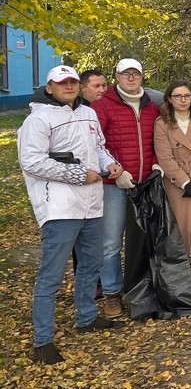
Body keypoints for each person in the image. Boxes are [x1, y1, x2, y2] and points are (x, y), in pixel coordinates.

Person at [19, 66, 123, 364]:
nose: (68, 87)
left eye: (73, 82)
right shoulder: (38, 119)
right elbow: (31, 162)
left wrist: (109, 165)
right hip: (60, 206)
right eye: (62, 83)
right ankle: (43, 341)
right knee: (51, 274)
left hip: (92, 203)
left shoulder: (88, 113)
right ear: (49, 87)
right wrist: (79, 174)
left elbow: (99, 148)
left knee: (91, 264)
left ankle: (87, 316)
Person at [91, 58, 161, 319]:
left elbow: (158, 141)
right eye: (125, 74)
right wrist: (115, 170)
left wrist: (156, 166)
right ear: (117, 77)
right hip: (115, 184)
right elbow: (97, 144)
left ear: (142, 77)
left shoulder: (152, 107)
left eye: (135, 74)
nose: (131, 78)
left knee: (142, 238)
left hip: (145, 184)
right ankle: (111, 293)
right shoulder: (102, 107)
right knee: (111, 242)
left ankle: (140, 288)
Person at [153, 81, 191, 308]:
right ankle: (180, 287)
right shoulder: (162, 125)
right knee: (179, 236)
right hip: (177, 185)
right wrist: (184, 182)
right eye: (177, 96)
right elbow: (164, 157)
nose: (182, 100)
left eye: (187, 96)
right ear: (169, 98)